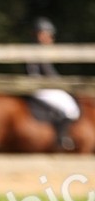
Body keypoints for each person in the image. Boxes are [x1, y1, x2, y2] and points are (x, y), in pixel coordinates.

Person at [27, 17, 80, 151]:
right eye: (48, 34)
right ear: (40, 34)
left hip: (44, 87)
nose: (51, 38)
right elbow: (43, 74)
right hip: (41, 88)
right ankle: (62, 138)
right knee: (70, 107)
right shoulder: (35, 51)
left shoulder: (39, 51)